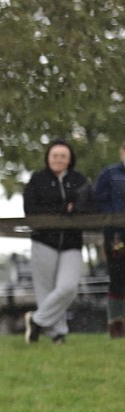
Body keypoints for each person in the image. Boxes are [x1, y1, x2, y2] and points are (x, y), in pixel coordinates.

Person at [22, 139, 93, 345]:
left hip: (71, 242)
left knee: (68, 287)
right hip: (44, 241)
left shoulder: (79, 180)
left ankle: (35, 320)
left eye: (63, 156)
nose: (59, 159)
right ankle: (57, 334)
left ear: (70, 159)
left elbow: (89, 206)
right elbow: (31, 209)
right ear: (48, 157)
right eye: (55, 155)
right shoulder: (37, 180)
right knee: (45, 289)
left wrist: (76, 210)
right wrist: (60, 210)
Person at [93, 140, 125, 338]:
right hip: (116, 235)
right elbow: (97, 200)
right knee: (118, 278)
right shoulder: (110, 174)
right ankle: (116, 324)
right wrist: (113, 216)